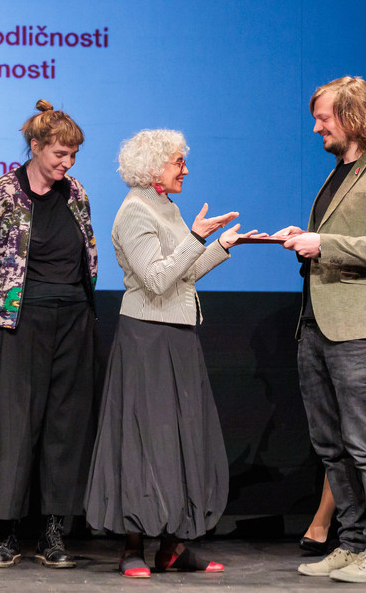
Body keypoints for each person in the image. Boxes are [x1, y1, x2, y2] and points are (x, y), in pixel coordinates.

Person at [85, 129, 254, 579]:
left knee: (181, 439)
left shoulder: (166, 206)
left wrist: (220, 246)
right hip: (147, 336)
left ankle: (173, 547)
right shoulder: (134, 212)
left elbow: (184, 274)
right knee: (143, 440)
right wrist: (195, 237)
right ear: (153, 166)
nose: (186, 169)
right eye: (178, 161)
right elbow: (158, 280)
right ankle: (132, 547)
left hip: (178, 335)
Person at [274, 76, 366, 584]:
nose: (317, 128)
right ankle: (352, 543)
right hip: (317, 323)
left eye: (323, 118)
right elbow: (341, 236)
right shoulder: (341, 171)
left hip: (360, 326)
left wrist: (323, 244)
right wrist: (307, 237)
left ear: (352, 115)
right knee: (330, 444)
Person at [0, 99, 99, 570]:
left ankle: (52, 531)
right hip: (18, 323)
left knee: (64, 426)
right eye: (60, 154)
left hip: (73, 319)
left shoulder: (75, 192)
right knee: (14, 425)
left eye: (73, 155)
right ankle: (7, 532)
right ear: (36, 146)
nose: (68, 163)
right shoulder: (1, 194)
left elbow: (86, 252)